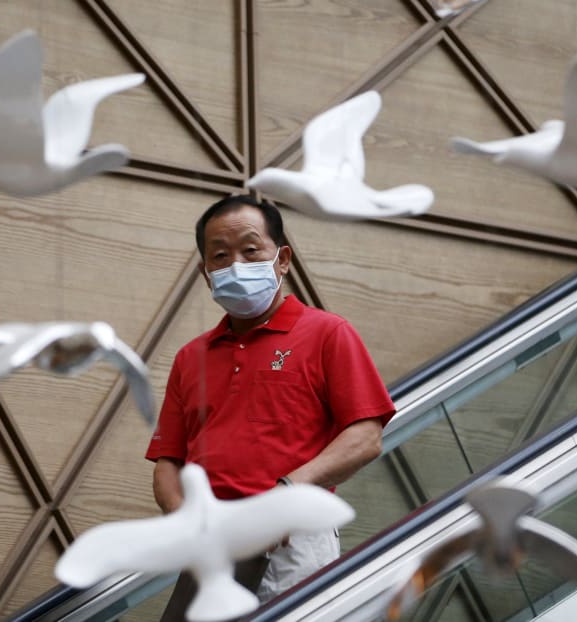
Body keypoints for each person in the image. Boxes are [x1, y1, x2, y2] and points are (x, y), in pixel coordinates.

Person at [145, 194, 395, 617]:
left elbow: (367, 435)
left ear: (282, 260)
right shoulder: (191, 358)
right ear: (206, 274)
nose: (235, 265)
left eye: (250, 249)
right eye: (220, 256)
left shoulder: (328, 333)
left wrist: (286, 495)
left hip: (293, 537)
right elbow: (167, 461)